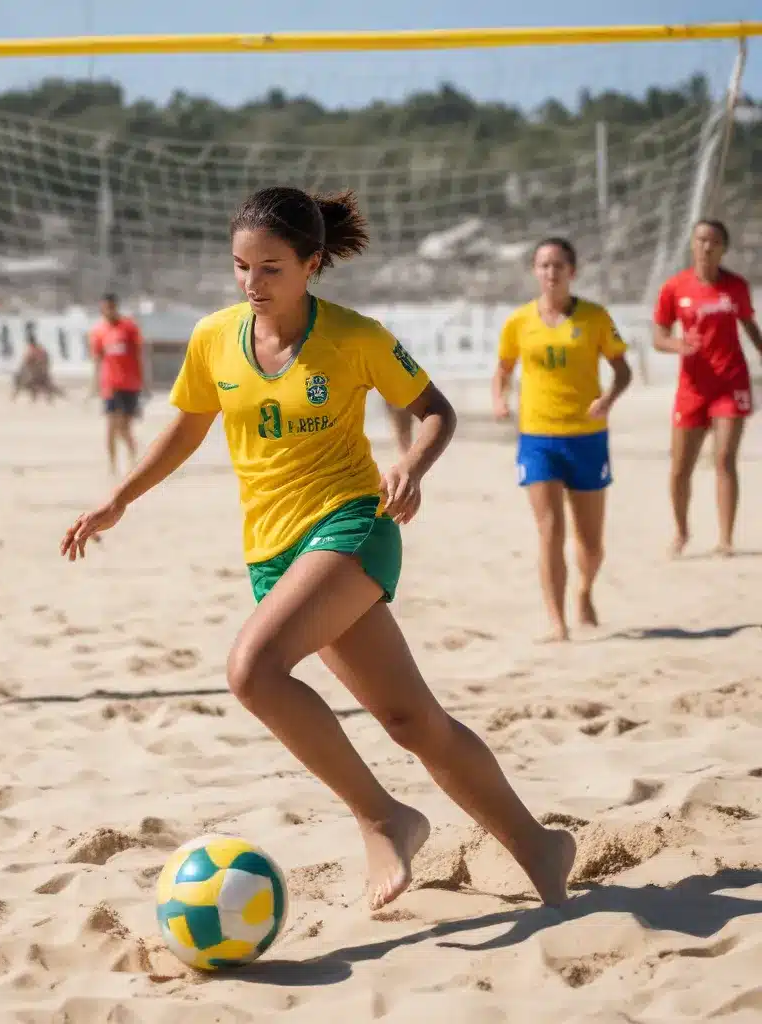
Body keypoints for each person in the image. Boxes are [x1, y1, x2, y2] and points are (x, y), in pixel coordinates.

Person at [61, 187, 576, 911]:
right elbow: (186, 427)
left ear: (311, 264)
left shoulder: (355, 336)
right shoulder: (216, 338)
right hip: (272, 554)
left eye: (270, 268)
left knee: (253, 670)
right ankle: (538, 843)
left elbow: (435, 411)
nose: (252, 284)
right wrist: (120, 498)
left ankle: (383, 817)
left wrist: (412, 466)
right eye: (241, 267)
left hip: (351, 526)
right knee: (410, 721)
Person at [491, 237, 632, 642]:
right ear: (535, 272)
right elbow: (502, 369)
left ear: (573, 271)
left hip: (587, 438)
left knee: (591, 544)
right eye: (543, 265)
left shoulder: (595, 317)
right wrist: (499, 399)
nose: (550, 273)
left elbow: (623, 371)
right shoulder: (519, 321)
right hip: (538, 438)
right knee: (550, 529)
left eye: (558, 266)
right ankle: (557, 621)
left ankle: (585, 591)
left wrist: (608, 398)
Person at [653, 219, 761, 557]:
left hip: (731, 382)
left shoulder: (736, 287)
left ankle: (725, 539)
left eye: (713, 242)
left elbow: (749, 325)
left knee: (725, 458)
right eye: (700, 240)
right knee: (680, 466)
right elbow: (658, 337)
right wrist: (678, 346)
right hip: (693, 386)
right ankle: (682, 532)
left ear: (724, 248)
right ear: (692, 245)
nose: (706, 247)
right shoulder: (674, 288)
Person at [88, 293, 146, 475]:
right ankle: (112, 466)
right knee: (111, 425)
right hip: (110, 385)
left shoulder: (129, 327)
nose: (107, 311)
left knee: (124, 427)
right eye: (104, 308)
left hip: (130, 383)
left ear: (115, 307)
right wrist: (94, 385)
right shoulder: (98, 331)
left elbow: (139, 355)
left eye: (110, 307)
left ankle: (133, 457)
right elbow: (97, 360)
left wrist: (145, 381)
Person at [12, 324, 64, 403]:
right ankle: (46, 398)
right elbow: (47, 361)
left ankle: (15, 398)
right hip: (44, 373)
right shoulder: (42, 349)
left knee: (19, 379)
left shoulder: (31, 351)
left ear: (29, 343)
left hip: (35, 375)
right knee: (48, 386)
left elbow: (26, 362)